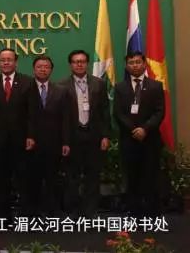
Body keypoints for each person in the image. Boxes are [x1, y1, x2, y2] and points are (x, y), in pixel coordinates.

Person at [0, 48, 35, 218]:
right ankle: (2, 216)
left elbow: (32, 113)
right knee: (0, 179)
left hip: (21, 140)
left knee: (23, 179)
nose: (6, 62)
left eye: (9, 59)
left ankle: (25, 216)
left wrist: (31, 135)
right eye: (2, 60)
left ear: (15, 62)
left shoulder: (27, 82)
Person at [59, 50, 111, 217]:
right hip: (73, 137)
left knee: (92, 177)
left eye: (82, 61)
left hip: (93, 136)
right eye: (76, 62)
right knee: (72, 177)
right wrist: (64, 141)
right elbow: (61, 117)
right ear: (70, 65)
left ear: (87, 64)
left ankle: (90, 212)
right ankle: (73, 212)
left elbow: (105, 112)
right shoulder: (61, 85)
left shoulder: (98, 84)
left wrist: (105, 135)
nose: (79, 64)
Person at [114, 51, 164, 217]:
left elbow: (159, 112)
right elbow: (118, 113)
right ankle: (134, 213)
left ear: (144, 64)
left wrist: (145, 129)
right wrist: (134, 130)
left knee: (150, 177)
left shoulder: (156, 86)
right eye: (131, 63)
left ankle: (151, 214)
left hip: (150, 140)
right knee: (132, 178)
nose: (134, 65)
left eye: (137, 62)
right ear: (127, 66)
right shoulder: (120, 88)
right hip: (129, 140)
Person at [26, 55, 71, 216]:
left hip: (54, 143)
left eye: (46, 67)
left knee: (53, 179)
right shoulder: (25, 89)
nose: (43, 69)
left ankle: (52, 212)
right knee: (33, 180)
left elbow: (66, 119)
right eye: (39, 66)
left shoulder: (61, 91)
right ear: (34, 69)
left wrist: (66, 142)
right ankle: (33, 212)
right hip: (31, 143)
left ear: (51, 70)